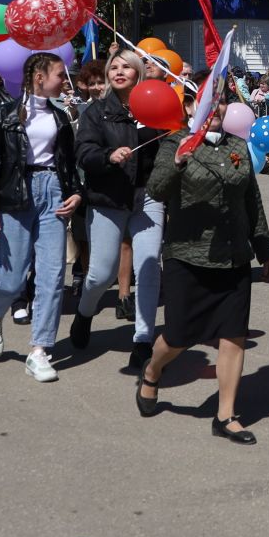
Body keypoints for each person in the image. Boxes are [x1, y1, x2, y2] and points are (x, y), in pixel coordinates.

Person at [136, 100, 269, 442]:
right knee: (179, 335)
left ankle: (226, 415)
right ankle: (153, 371)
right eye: (206, 102)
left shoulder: (237, 146)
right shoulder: (175, 142)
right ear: (189, 107)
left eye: (221, 102)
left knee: (233, 335)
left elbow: (251, 200)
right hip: (187, 256)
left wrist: (264, 248)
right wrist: (177, 161)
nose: (215, 109)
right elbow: (156, 190)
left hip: (233, 257)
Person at [0, 51, 85, 382]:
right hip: (15, 195)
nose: (64, 81)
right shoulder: (5, 116)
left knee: (52, 276)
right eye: (58, 75)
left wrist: (76, 191)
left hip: (53, 192)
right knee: (12, 277)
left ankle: (39, 350)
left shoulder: (61, 117)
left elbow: (68, 161)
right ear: (40, 77)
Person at [70, 50, 166, 369]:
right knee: (101, 274)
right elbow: (84, 152)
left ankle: (142, 339)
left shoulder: (154, 108)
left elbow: (170, 147)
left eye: (127, 66)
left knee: (149, 267)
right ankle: (85, 313)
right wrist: (108, 157)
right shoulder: (96, 113)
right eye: (114, 66)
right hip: (108, 197)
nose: (119, 71)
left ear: (139, 73)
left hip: (148, 196)